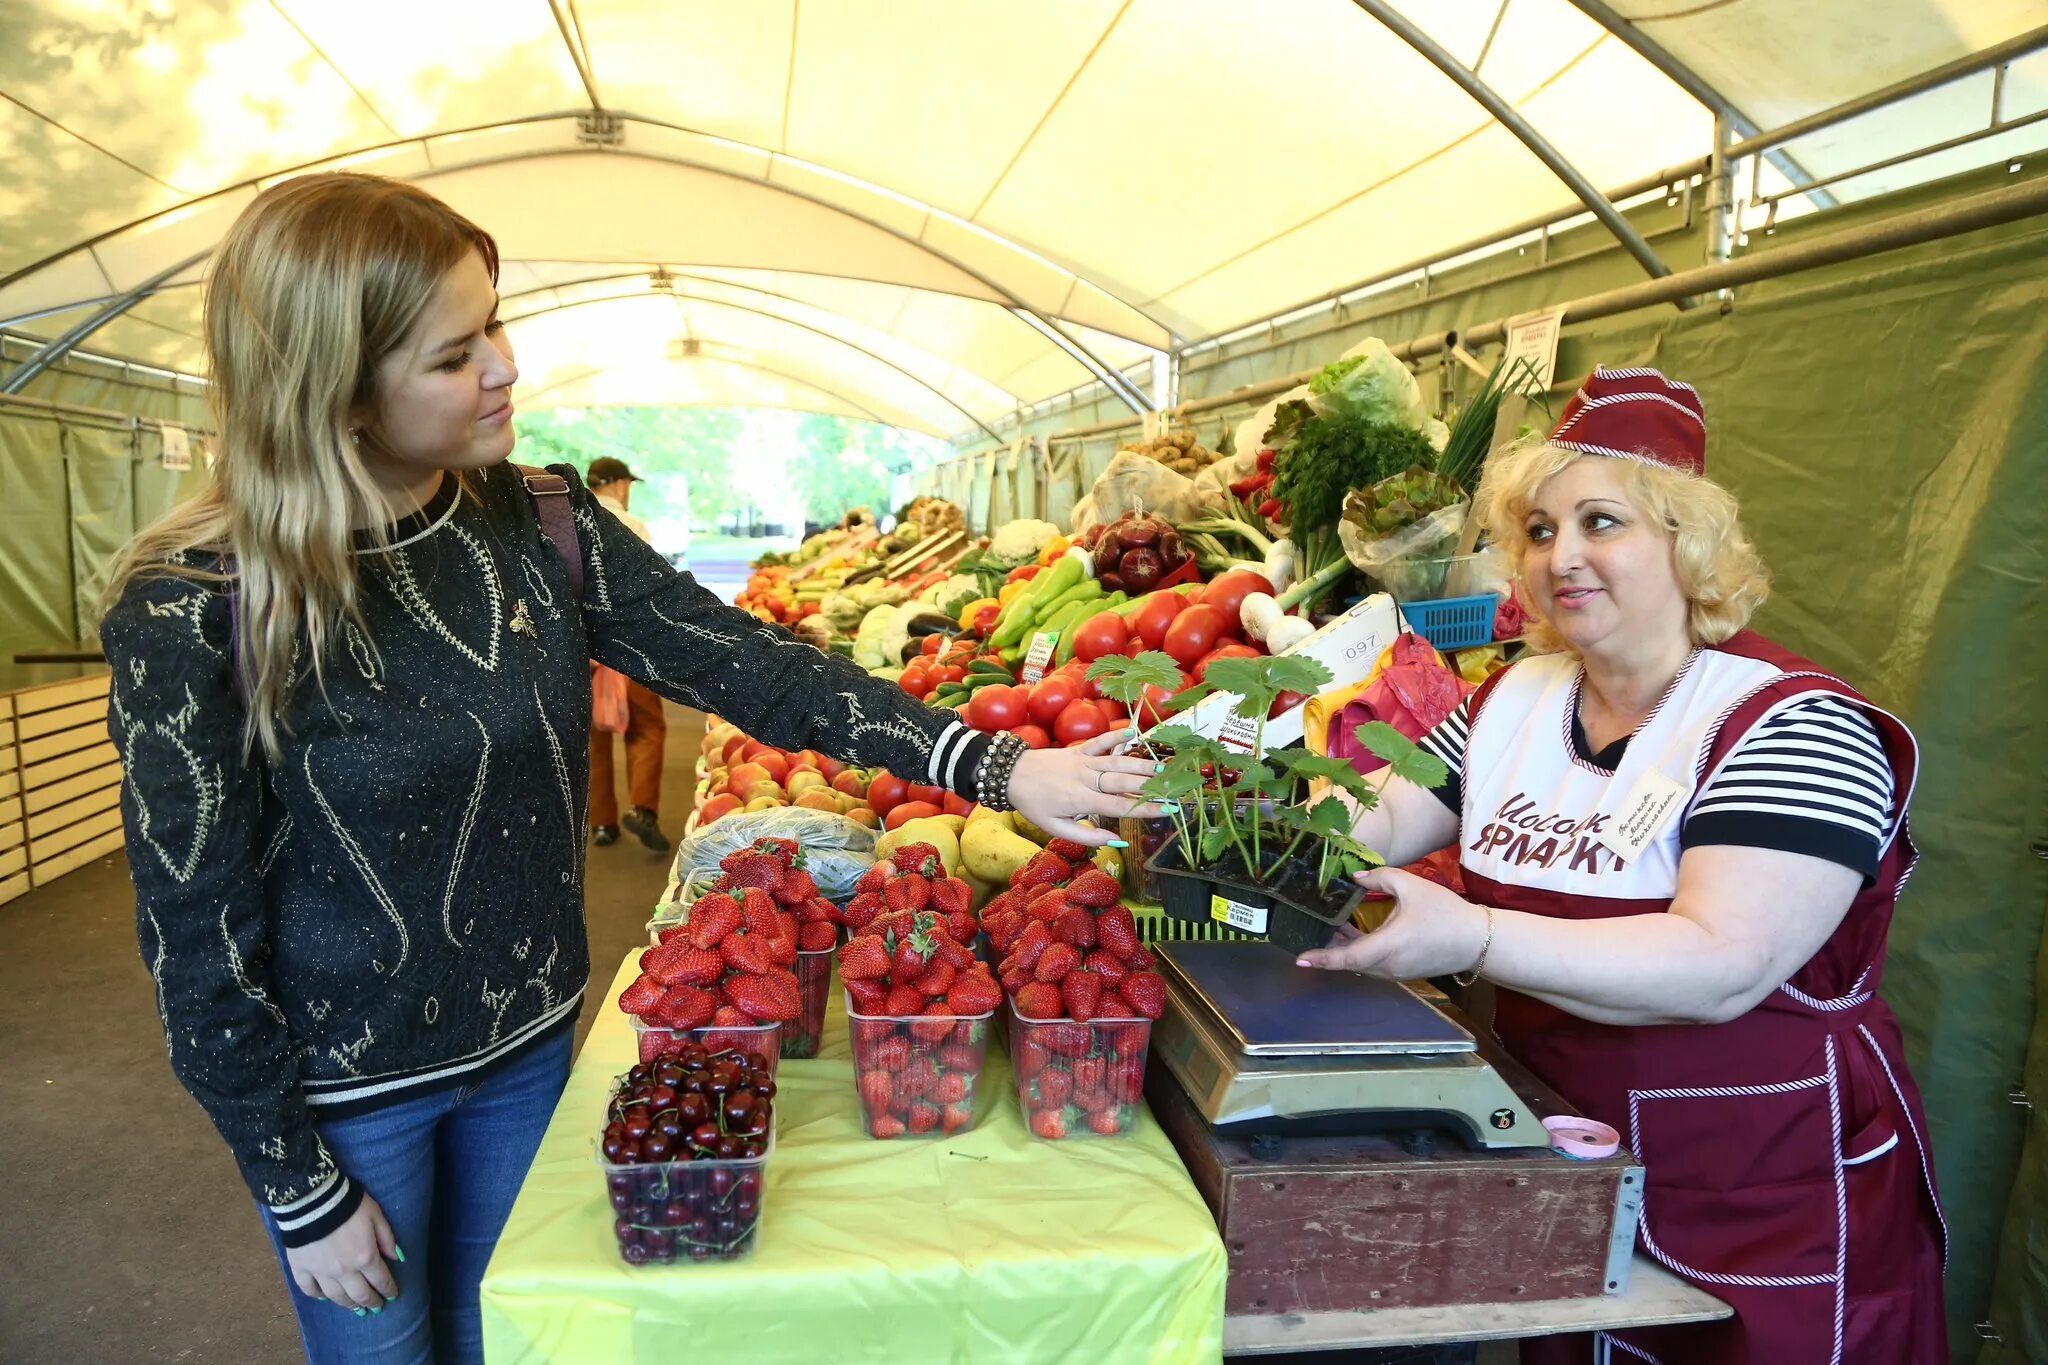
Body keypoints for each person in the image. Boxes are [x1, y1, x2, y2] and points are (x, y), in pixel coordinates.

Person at [97, 172, 1158, 1365]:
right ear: (332, 390)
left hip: (532, 1053)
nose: (503, 367)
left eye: (493, 321)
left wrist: (1000, 767)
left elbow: (755, 668)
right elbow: (195, 927)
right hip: (347, 1101)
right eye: (453, 356)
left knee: (522, 1340)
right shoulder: (198, 605)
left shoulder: (541, 520)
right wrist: (292, 1182)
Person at [1298, 368, 1946, 1364]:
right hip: (1558, 1148)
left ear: (1685, 542)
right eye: (1539, 529)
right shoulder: (1512, 697)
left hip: (1761, 1184)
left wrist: (1468, 934)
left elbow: (1717, 961)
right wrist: (1277, 823)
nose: (1562, 556)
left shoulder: (1789, 723)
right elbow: (1384, 815)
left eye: (1601, 522)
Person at [582, 455, 669, 851]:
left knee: (593, 738)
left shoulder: (565, 522)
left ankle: (602, 824)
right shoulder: (632, 526)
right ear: (619, 485)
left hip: (581, 653)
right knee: (647, 729)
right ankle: (643, 810)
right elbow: (648, 594)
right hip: (629, 651)